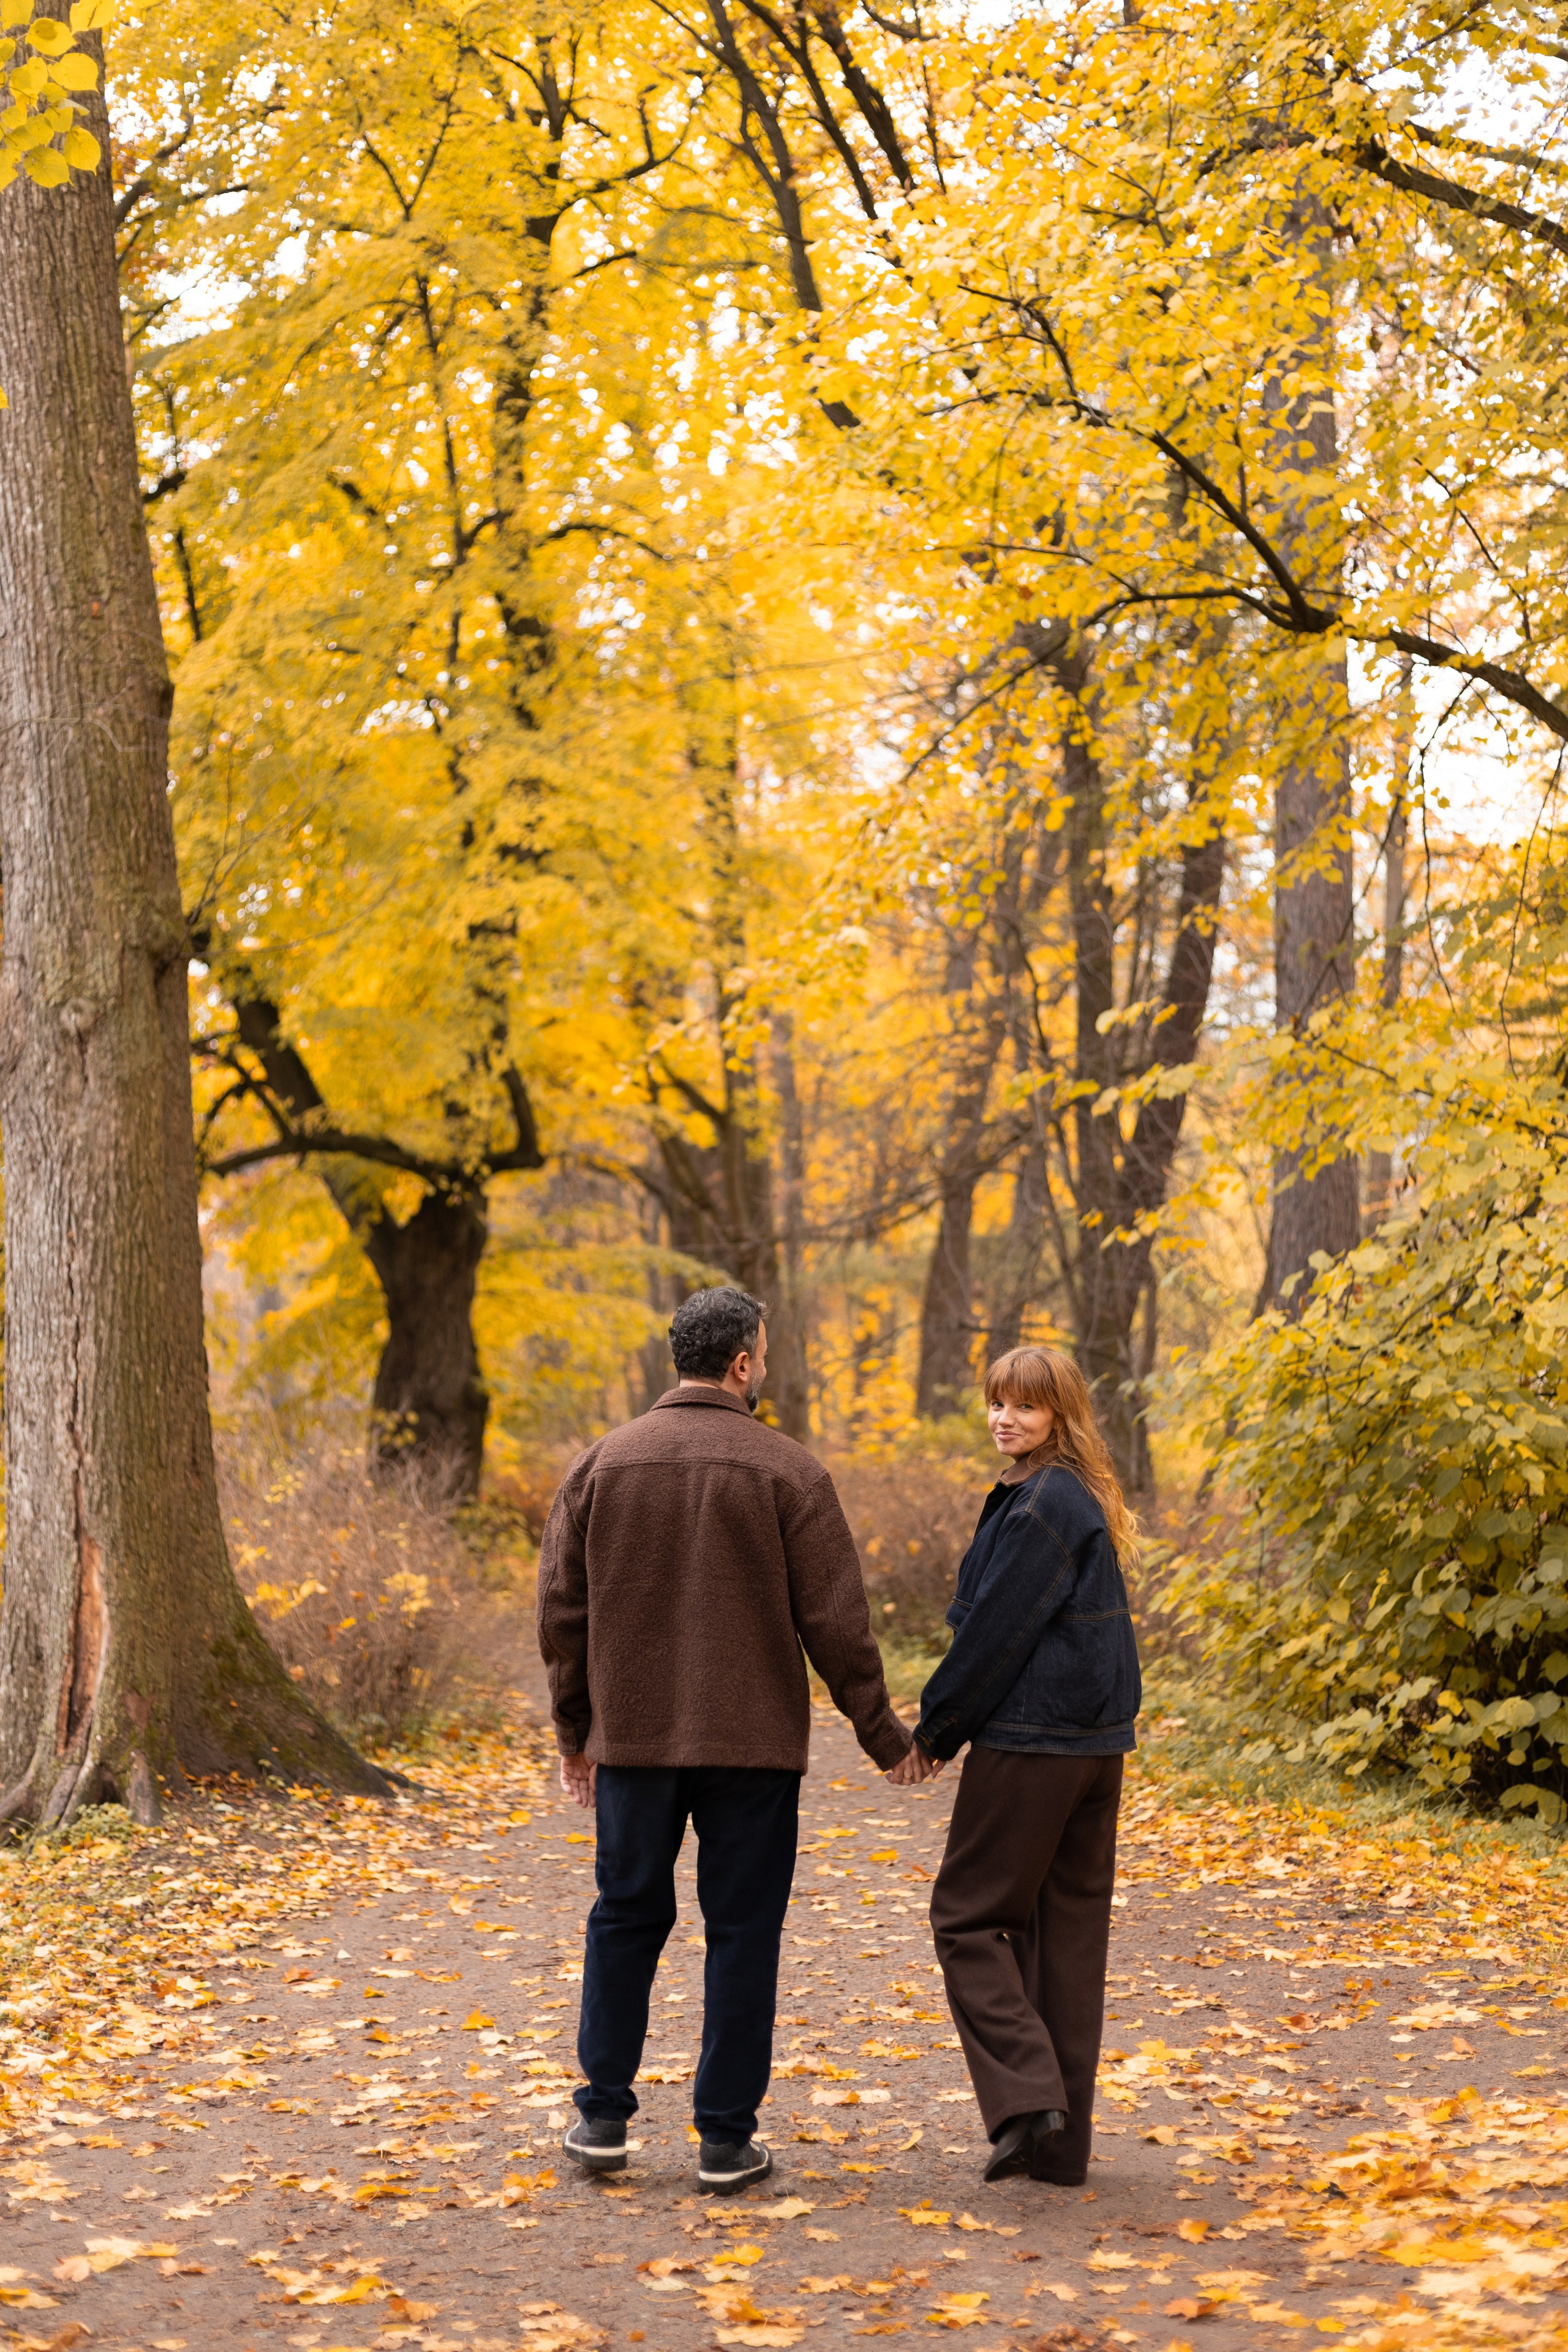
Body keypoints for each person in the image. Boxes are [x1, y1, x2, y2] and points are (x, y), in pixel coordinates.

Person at [535, 1284, 924, 2193]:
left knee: (624, 1918)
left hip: (633, 1742)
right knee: (744, 1932)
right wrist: (883, 1735)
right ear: (742, 1364)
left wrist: (575, 1733)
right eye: (764, 1354)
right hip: (753, 1748)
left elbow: (561, 1612)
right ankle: (723, 2139)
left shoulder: (603, 1464)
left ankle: (601, 2117)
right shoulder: (790, 1471)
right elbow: (839, 1624)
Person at [910, 1345, 1142, 2187]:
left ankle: (1025, 2098)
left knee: (967, 1918)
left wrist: (934, 1732)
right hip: (1095, 1747)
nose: (1004, 1419)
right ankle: (1058, 2152)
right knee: (1063, 1941)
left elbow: (995, 1634)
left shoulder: (1043, 1503)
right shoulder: (1069, 1494)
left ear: (1060, 1416)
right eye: (997, 1403)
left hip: (1037, 1744)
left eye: (1025, 1408)